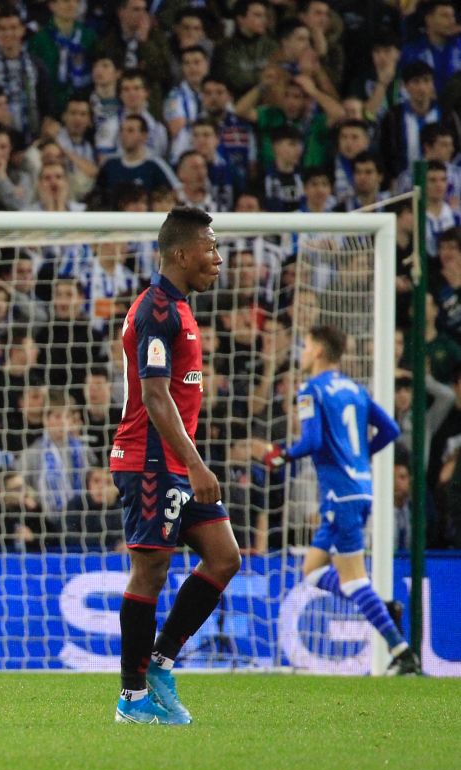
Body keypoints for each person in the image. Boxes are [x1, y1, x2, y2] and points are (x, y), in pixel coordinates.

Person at [109, 206, 241, 725]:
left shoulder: (178, 306)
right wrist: (197, 466)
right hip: (150, 461)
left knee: (224, 557)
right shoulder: (157, 310)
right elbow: (156, 396)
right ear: (182, 254)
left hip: (171, 462)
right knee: (151, 571)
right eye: (210, 248)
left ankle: (160, 664)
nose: (218, 258)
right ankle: (132, 698)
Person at [261, 325, 420, 674]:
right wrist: (361, 458)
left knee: (352, 580)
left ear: (318, 351)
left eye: (305, 346)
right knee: (311, 571)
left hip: (340, 495)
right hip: (358, 489)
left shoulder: (310, 390)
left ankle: (402, 651)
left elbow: (313, 440)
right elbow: (390, 430)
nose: (301, 352)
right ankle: (382, 609)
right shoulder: (355, 389)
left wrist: (281, 455)